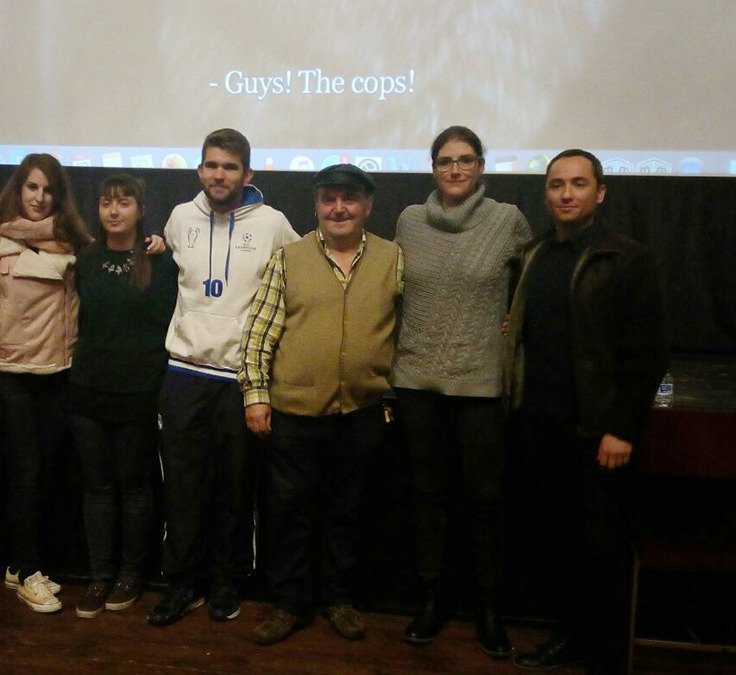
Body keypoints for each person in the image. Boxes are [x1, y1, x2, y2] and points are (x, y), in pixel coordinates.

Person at [508, 150, 668, 673]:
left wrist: (621, 428)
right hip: (541, 423)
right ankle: (570, 638)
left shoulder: (626, 258)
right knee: (559, 544)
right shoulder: (532, 255)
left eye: (578, 184)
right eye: (557, 184)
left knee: (601, 549)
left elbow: (646, 354)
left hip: (597, 432)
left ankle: (603, 655)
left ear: (600, 193)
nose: (566, 193)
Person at [240, 164, 402, 645]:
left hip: (362, 413)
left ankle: (338, 598)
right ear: (316, 205)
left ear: (367, 206)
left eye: (349, 199)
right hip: (294, 412)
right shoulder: (288, 258)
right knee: (289, 513)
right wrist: (255, 394)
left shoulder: (394, 259)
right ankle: (288, 603)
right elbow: (259, 333)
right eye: (329, 198)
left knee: (346, 512)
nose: (339, 208)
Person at [148, 128, 300, 627]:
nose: (219, 175)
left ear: (248, 174)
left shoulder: (274, 224)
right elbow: (160, 262)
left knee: (236, 491)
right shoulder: (179, 217)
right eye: (212, 165)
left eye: (230, 167)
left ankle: (226, 581)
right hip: (183, 374)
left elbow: (300, 280)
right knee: (183, 490)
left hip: (240, 379)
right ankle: (182, 584)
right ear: (200, 170)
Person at [390, 126, 531, 657]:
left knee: (484, 500)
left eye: (465, 160)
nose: (455, 170)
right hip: (416, 380)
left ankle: (488, 607)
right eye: (445, 161)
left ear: (481, 167)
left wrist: (511, 331)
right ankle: (432, 598)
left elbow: (531, 284)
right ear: (432, 167)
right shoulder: (407, 220)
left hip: (478, 382)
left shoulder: (508, 220)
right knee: (428, 497)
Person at [0, 153, 93, 614]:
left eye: (48, 189)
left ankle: (21, 567)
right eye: (32, 188)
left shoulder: (75, 242)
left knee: (49, 475)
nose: (40, 198)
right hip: (13, 377)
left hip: (60, 374)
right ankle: (26, 570)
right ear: (17, 190)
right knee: (25, 476)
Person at [69, 174, 178, 618]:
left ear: (140, 209)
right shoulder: (87, 259)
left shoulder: (161, 260)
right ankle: (99, 575)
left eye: (124, 202)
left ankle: (131, 574)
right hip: (87, 390)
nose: (114, 211)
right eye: (106, 203)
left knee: (135, 489)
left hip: (138, 392)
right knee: (97, 488)